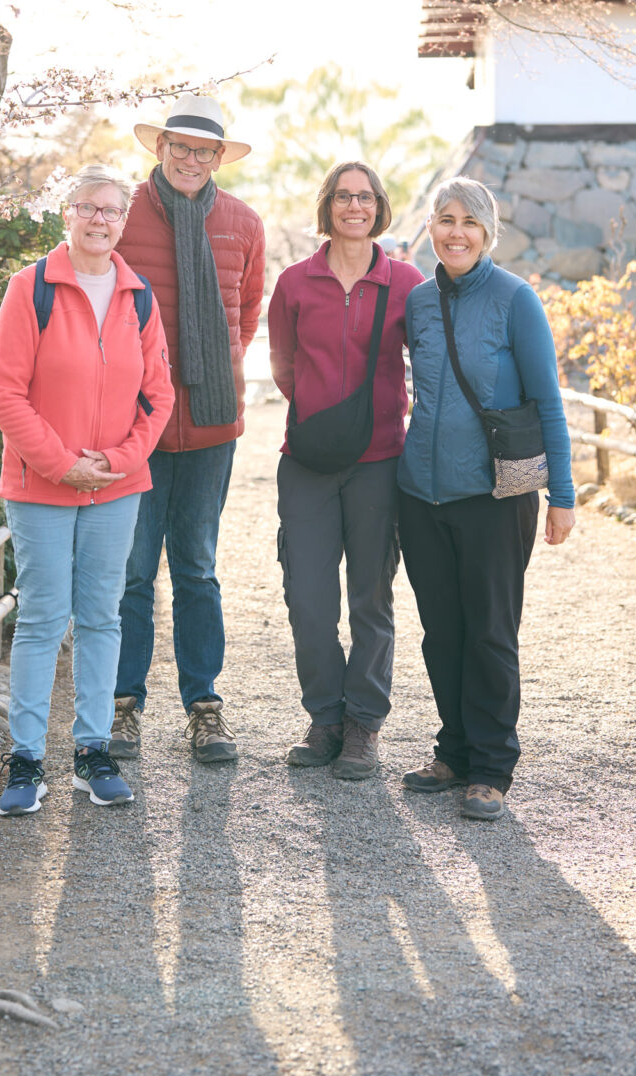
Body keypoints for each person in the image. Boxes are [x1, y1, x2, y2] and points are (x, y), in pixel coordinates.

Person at [0, 164, 174, 816]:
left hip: (116, 489)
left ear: (124, 222)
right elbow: (5, 393)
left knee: (101, 617)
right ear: (67, 213)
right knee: (41, 620)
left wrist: (117, 462)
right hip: (40, 487)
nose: (100, 220)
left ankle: (93, 751)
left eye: (112, 211)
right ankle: (26, 760)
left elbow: (159, 395)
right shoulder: (29, 289)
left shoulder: (136, 296)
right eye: (89, 208)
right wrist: (61, 463)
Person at [397, 176, 575, 821]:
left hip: (497, 495)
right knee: (441, 633)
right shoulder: (416, 301)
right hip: (420, 494)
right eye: (444, 219)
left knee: (490, 633)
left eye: (469, 221)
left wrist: (564, 493)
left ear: (488, 232)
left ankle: (492, 766)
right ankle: (454, 749)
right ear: (431, 228)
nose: (455, 232)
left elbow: (547, 403)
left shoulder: (515, 299)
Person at [109, 94, 265, 764]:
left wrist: (215, 371)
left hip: (209, 425)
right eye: (181, 147)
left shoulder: (242, 223)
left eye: (205, 150)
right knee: (133, 572)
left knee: (197, 568)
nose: (192, 159)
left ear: (218, 157)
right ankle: (121, 708)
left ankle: (205, 707)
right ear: (161, 149)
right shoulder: (120, 216)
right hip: (132, 426)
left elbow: (246, 314)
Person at [268, 161, 424, 779]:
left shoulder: (407, 282)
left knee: (370, 596)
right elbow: (283, 362)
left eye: (364, 197)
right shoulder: (295, 282)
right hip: (307, 460)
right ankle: (324, 716)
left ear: (379, 206)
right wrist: (321, 418)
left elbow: (427, 360)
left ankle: (363, 723)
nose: (353, 206)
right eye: (342, 196)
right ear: (327, 205)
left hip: (380, 461)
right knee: (307, 596)